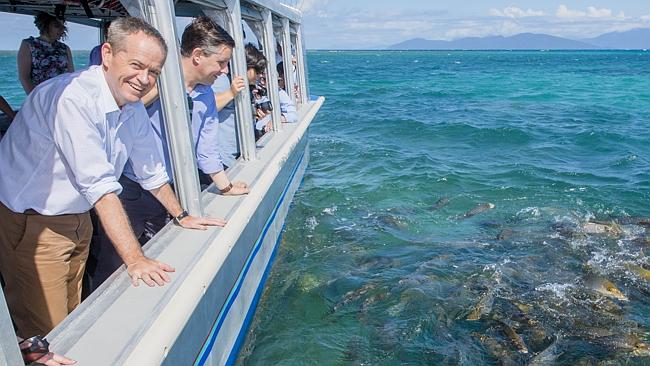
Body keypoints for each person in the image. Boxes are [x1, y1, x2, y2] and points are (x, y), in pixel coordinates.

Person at [0, 17, 223, 338]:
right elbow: (101, 187)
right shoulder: (73, 99)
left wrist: (182, 215)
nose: (144, 78)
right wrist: (135, 259)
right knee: (45, 332)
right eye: (136, 64)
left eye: (154, 72)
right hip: (34, 223)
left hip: (78, 216)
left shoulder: (128, 105)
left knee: (73, 316)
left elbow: (151, 171)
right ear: (107, 54)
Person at [91, 16, 249, 290]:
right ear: (198, 56)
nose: (224, 71)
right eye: (221, 62)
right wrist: (160, 89)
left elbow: (206, 148)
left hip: (169, 190)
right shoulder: (149, 81)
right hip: (131, 189)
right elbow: (119, 112)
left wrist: (225, 186)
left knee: (161, 256)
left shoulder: (206, 96)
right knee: (113, 263)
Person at [17, 11, 74, 94]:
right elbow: (24, 77)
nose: (61, 29)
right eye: (56, 26)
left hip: (61, 96)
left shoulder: (64, 48)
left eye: (62, 26)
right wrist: (34, 99)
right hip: (40, 96)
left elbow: (70, 76)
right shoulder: (29, 45)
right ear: (45, 26)